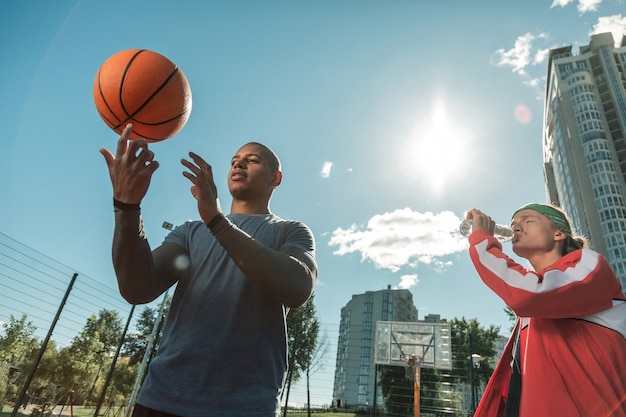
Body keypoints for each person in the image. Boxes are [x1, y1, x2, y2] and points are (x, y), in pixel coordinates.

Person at [100, 124, 318, 417]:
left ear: (275, 178)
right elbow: (137, 288)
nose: (239, 163)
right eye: (234, 160)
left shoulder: (291, 231)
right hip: (162, 400)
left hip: (244, 408)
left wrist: (217, 221)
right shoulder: (190, 232)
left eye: (252, 160)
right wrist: (126, 207)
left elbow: (297, 287)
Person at [465, 204, 626, 417]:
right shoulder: (531, 314)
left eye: (528, 220)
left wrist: (482, 241)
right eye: (513, 224)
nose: (516, 227)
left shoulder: (589, 265)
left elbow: (529, 293)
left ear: (559, 233)